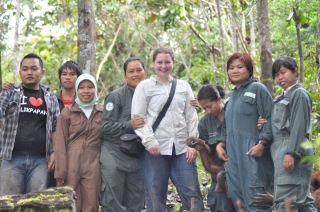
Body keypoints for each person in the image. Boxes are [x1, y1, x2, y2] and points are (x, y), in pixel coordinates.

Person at [132, 47, 204, 211]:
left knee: (192, 194)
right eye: (159, 62)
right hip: (154, 151)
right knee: (155, 197)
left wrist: (192, 144)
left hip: (181, 150)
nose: (163, 66)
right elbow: (138, 118)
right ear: (153, 64)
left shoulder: (183, 86)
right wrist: (150, 142)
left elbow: (191, 116)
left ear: (173, 63)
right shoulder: (144, 87)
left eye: (167, 62)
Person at [216, 52, 274, 211]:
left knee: (256, 195)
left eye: (240, 67)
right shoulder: (230, 96)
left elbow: (271, 118)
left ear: (249, 69)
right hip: (233, 155)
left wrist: (262, 143)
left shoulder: (258, 89)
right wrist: (221, 144)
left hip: (252, 151)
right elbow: (226, 126)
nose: (235, 70)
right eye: (231, 68)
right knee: (237, 195)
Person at [0, 53, 60, 195]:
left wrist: (54, 152)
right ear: (20, 72)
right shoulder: (9, 93)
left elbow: (56, 128)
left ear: (42, 72)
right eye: (25, 69)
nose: (29, 72)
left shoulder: (51, 98)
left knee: (35, 204)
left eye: (34, 68)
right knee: (9, 203)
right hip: (11, 159)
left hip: (40, 161)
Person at [100, 57, 146, 212]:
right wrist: (129, 125)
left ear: (145, 72)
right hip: (114, 154)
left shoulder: (151, 95)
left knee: (136, 200)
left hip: (139, 154)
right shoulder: (115, 96)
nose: (135, 74)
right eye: (131, 71)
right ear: (125, 76)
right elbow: (105, 127)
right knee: (113, 202)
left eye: (139, 70)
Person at [270, 56, 316, 211]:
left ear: (295, 71)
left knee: (286, 200)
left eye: (283, 72)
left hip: (293, 148)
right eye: (276, 75)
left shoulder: (299, 94)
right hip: (285, 149)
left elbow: (299, 126)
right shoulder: (282, 98)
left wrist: (291, 153)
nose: (280, 77)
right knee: (302, 202)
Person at [53, 74, 102, 212]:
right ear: (76, 90)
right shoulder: (67, 112)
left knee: (91, 202)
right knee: (70, 202)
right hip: (71, 163)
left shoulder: (102, 111)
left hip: (93, 162)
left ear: (96, 89)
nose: (86, 91)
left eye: (90, 87)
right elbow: (60, 143)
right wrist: (60, 172)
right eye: (82, 88)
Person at [196, 84, 235, 212]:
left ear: (218, 100)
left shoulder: (233, 113)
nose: (207, 110)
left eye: (210, 106)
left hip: (240, 174)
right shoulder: (204, 124)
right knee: (220, 206)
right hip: (218, 175)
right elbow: (207, 163)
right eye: (204, 108)